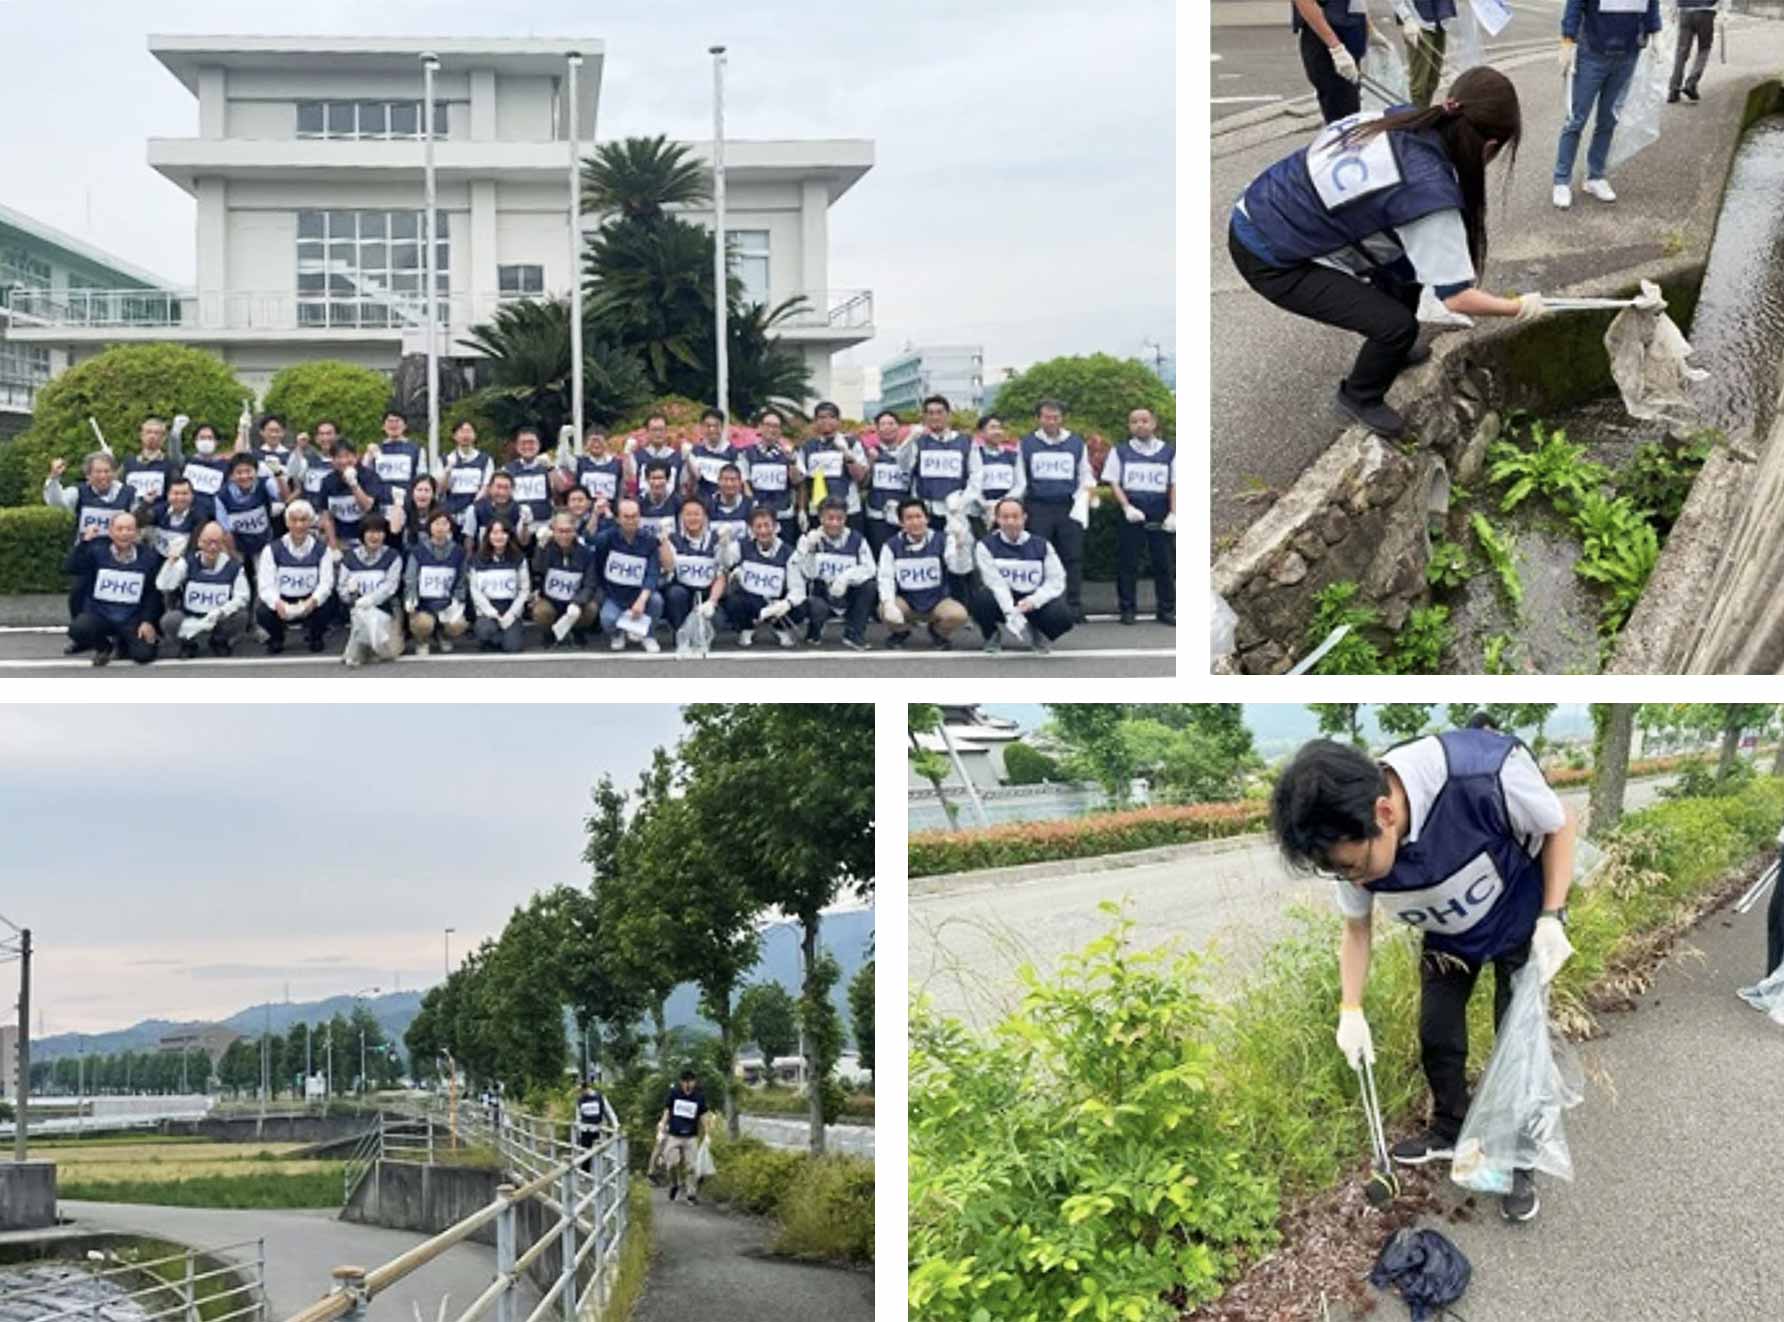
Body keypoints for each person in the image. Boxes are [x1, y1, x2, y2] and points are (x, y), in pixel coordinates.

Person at [1269, 727, 1577, 1223]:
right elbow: (1357, 929)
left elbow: (1560, 823)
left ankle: (1520, 1160)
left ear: (1384, 814)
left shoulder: (1483, 773)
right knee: (1438, 1033)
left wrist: (1553, 915)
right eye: (1341, 873)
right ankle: (1450, 1128)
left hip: (1520, 921)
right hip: (1447, 934)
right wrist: (1350, 1009)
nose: (1357, 880)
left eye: (1355, 866)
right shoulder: (1351, 839)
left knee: (1517, 1044)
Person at [1230, 66, 1541, 440]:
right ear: (1489, 147)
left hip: (1262, 205)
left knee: (1407, 271)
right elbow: (1457, 298)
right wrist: (1518, 307)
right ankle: (1359, 395)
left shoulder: (1401, 118)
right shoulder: (1427, 193)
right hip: (1271, 254)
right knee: (1396, 326)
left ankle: (1393, 349)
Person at [1555, 0, 1663, 208]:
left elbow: (1652, 4)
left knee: (1609, 119)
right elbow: (1575, 4)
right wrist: (1568, 40)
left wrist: (1656, 32)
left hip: (1629, 52)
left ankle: (1595, 176)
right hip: (1592, 51)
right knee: (1576, 118)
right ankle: (1561, 180)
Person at [1015, 400, 1094, 621]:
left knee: (1073, 557)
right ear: (1038, 418)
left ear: (1062, 418)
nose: (1051, 421)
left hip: (1068, 507)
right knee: (1038, 557)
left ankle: (1073, 606)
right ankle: (1041, 605)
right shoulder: (1027, 443)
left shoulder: (1076, 443)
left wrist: (1084, 496)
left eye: (1055, 417)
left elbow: (1084, 474)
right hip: (1038, 506)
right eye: (1046, 417)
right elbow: (1021, 479)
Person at [1102, 406, 1177, 627]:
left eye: (1144, 421)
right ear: (1129, 426)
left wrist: (1174, 512)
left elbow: (1175, 483)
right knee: (1128, 563)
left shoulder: (1169, 452)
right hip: (1132, 511)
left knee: (1163, 563)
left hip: (1159, 510)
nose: (1140, 425)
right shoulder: (1120, 451)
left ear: (1153, 424)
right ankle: (1127, 609)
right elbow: (1114, 482)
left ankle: (1167, 609)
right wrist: (1126, 507)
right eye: (1134, 421)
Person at [970, 498, 1075, 655]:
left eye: (1015, 516)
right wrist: (1010, 611)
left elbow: (1056, 580)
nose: (1011, 521)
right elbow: (995, 583)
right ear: (997, 519)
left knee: (1063, 616)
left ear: (1024, 518)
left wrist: (1034, 601)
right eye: (1005, 517)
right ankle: (991, 634)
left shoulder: (1042, 545)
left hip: (1032, 601)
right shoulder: (985, 545)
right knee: (980, 600)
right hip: (1004, 599)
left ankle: (1039, 630)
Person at [62, 511, 164, 666]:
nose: (124, 533)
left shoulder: (149, 557)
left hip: (131, 618)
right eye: (120, 529)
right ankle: (104, 648)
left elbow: (152, 594)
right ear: (110, 531)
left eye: (129, 529)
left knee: (144, 655)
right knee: (78, 629)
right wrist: (84, 543)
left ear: (136, 532)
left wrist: (147, 621)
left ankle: (123, 642)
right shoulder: (96, 551)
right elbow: (70, 568)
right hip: (101, 615)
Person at [877, 498, 973, 649]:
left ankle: (938, 633)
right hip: (907, 602)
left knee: (958, 615)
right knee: (884, 609)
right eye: (909, 518)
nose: (915, 522)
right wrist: (889, 603)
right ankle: (901, 632)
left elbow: (958, 568)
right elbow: (885, 577)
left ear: (927, 519)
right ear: (901, 523)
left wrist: (960, 548)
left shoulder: (943, 540)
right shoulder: (891, 545)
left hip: (937, 601)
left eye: (919, 517)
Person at [156, 520, 250, 658]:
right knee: (169, 620)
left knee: (241, 616)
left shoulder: (234, 567)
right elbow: (163, 585)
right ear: (199, 543)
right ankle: (188, 644)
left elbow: (242, 597)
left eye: (217, 542)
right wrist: (171, 561)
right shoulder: (186, 563)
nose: (212, 547)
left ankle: (219, 641)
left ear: (222, 543)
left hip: (218, 618)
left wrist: (221, 611)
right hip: (190, 617)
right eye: (208, 542)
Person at [255, 499, 338, 654]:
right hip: (283, 600)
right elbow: (266, 585)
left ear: (310, 522)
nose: (299, 525)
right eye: (294, 520)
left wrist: (313, 601)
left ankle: (315, 636)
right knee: (263, 611)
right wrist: (277, 603)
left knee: (329, 602)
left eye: (303, 520)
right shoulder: (271, 549)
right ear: (287, 523)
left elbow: (326, 583)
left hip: (309, 600)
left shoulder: (322, 550)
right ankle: (277, 638)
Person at [722, 505, 806, 647]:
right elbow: (725, 562)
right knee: (733, 601)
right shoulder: (741, 547)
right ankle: (746, 628)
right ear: (751, 530)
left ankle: (780, 628)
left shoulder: (789, 553)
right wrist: (723, 545)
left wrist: (786, 604)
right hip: (751, 601)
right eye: (758, 527)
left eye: (767, 525)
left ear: (776, 527)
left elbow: (797, 588)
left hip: (777, 603)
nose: (763, 531)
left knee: (801, 606)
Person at [798, 498, 876, 650]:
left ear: (845, 519)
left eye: (839, 519)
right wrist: (810, 551)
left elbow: (870, 568)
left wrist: (846, 578)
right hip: (821, 594)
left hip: (848, 593)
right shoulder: (810, 539)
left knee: (870, 586)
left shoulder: (857, 539)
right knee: (815, 605)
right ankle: (814, 630)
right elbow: (806, 573)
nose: (835, 523)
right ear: (821, 518)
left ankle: (854, 633)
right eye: (830, 518)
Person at [592, 497, 664, 653]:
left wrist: (641, 600)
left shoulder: (649, 541)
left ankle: (648, 634)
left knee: (656, 600)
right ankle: (618, 634)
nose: (631, 520)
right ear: (618, 518)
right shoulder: (608, 538)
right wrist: (595, 514)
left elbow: (652, 574)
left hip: (639, 594)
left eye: (634, 516)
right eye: (626, 516)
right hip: (614, 595)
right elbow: (590, 541)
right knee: (607, 619)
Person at [337, 514, 405, 668]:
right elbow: (341, 588)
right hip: (358, 613)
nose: (375, 536)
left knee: (390, 653)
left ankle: (359, 647)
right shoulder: (349, 558)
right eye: (370, 532)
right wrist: (352, 596)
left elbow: (390, 587)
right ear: (362, 534)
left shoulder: (393, 556)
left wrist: (370, 600)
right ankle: (358, 648)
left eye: (379, 531)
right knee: (361, 617)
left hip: (387, 610)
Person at [1292, 0, 1373, 125]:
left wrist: (1370, 28)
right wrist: (1336, 48)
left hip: (1348, 37)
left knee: (1351, 110)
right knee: (1342, 116)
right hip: (1326, 41)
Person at [898, 395, 972, 526]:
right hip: (927, 511)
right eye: (930, 413)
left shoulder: (966, 441)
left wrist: (964, 500)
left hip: (957, 511)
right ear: (925, 417)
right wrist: (910, 439)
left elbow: (975, 475)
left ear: (948, 415)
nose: (935, 417)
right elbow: (904, 465)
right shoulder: (918, 441)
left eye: (939, 412)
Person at [405, 508, 470, 655]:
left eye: (444, 523)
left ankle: (443, 635)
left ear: (450, 527)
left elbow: (461, 580)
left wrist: (458, 602)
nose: (440, 527)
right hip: (423, 604)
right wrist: (411, 599)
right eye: (436, 523)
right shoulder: (418, 551)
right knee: (423, 624)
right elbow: (411, 578)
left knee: (458, 624)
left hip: (447, 604)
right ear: (429, 527)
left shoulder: (458, 552)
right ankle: (422, 640)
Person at [531, 511, 599, 649]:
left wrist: (577, 602)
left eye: (568, 531)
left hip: (575, 602)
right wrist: (540, 548)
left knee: (592, 609)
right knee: (541, 612)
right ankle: (549, 633)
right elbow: (538, 568)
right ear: (553, 531)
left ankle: (577, 631)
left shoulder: (585, 553)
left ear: (575, 531)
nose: (564, 536)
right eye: (560, 531)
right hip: (551, 600)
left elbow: (590, 584)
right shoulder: (546, 548)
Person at [662, 496, 727, 639]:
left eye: (697, 514)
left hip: (706, 594)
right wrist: (664, 541)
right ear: (681, 518)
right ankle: (679, 632)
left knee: (718, 621)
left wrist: (712, 601)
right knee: (675, 594)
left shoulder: (716, 539)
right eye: (688, 514)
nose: (693, 518)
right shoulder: (674, 539)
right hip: (683, 592)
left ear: (704, 517)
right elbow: (668, 567)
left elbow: (721, 576)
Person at [798, 401, 868, 531]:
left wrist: (847, 454)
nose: (826, 421)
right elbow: (802, 482)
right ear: (815, 421)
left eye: (831, 416)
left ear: (838, 421)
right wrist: (802, 510)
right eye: (821, 417)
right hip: (817, 511)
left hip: (848, 511)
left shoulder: (851, 443)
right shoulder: (807, 447)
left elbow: (861, 477)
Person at [44, 451, 134, 543]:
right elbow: (56, 503)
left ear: (114, 474)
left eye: (107, 471)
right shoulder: (78, 492)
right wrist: (54, 477)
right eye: (98, 472)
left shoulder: (128, 493)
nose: (103, 476)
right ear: (88, 475)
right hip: (86, 552)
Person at [468, 521, 529, 653]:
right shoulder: (477, 559)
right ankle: (492, 636)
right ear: (488, 536)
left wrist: (512, 614)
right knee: (485, 630)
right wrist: (492, 613)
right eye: (495, 533)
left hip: (510, 609)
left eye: (503, 532)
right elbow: (475, 590)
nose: (499, 536)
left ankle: (505, 636)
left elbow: (524, 590)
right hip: (488, 611)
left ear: (509, 535)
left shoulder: (519, 558)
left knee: (513, 648)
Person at [214, 454, 278, 578]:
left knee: (265, 577)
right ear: (231, 476)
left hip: (263, 540)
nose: (244, 476)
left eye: (248, 471)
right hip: (237, 544)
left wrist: (278, 475)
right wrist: (234, 557)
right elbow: (225, 531)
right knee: (236, 575)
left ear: (256, 471)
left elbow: (283, 496)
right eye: (239, 472)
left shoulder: (266, 484)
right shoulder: (221, 497)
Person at [318, 438, 385, 552]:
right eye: (339, 457)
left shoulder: (370, 477)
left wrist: (353, 483)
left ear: (356, 456)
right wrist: (333, 545)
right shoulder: (327, 481)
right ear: (333, 460)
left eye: (348, 456)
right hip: (341, 540)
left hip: (367, 541)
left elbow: (367, 506)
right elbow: (326, 515)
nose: (343, 461)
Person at [657, 1067, 711, 1204]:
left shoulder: (699, 1097)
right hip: (674, 1135)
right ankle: (674, 1183)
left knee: (691, 1166)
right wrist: (662, 1128)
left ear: (695, 1082)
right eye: (685, 1081)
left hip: (691, 1136)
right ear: (681, 1082)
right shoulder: (674, 1094)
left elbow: (704, 1116)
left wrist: (707, 1133)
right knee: (671, 1163)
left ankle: (691, 1194)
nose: (688, 1084)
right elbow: (667, 1112)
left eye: (691, 1081)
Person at [743, 409, 800, 538]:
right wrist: (754, 506)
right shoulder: (747, 453)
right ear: (760, 427)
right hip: (758, 516)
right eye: (768, 425)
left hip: (783, 515)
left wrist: (791, 462)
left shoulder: (790, 452)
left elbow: (797, 481)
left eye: (776, 426)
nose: (771, 429)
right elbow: (745, 484)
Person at [965, 413, 1022, 539]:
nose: (997, 431)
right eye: (992, 428)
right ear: (981, 432)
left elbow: (1020, 484)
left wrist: (1002, 504)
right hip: (980, 513)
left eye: (999, 428)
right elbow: (972, 482)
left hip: (1008, 513)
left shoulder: (1013, 455)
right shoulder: (974, 454)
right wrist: (985, 504)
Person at [367, 410, 423, 537]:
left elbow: (421, 478)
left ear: (405, 425)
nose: (393, 425)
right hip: (380, 506)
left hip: (407, 506)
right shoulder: (376, 449)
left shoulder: (416, 449)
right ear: (383, 426)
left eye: (397, 421)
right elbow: (366, 475)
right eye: (389, 421)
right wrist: (368, 456)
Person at [863, 410, 911, 559]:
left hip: (904, 515)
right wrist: (870, 462)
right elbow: (863, 483)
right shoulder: (870, 452)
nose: (887, 428)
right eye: (882, 424)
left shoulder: (909, 451)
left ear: (899, 427)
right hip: (877, 515)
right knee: (880, 554)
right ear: (877, 429)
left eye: (891, 423)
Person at [438, 419, 494, 533]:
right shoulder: (445, 459)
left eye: (469, 431)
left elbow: (487, 486)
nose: (465, 435)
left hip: (477, 510)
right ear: (454, 436)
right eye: (461, 431)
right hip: (452, 513)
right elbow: (440, 489)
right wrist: (448, 470)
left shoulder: (485, 459)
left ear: (475, 435)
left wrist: (473, 506)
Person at [1401, 1, 1458, 111]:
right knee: (1420, 85)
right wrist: (1407, 17)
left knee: (1433, 80)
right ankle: (1417, 119)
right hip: (1419, 21)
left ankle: (1424, 114)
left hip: (1440, 20)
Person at [503, 427, 555, 546]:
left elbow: (558, 491)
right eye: (523, 443)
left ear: (539, 445)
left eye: (531, 442)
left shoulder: (547, 466)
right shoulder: (507, 469)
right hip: (516, 523)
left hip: (543, 523)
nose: (527, 446)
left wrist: (551, 468)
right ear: (517, 446)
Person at [463, 471, 531, 556]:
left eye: (506, 488)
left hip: (511, 560)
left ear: (512, 489)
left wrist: (525, 525)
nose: (502, 492)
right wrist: (469, 561)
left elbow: (524, 542)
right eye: (498, 487)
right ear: (490, 488)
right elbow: (469, 539)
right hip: (482, 560)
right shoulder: (474, 509)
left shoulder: (520, 510)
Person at [686, 407, 745, 502]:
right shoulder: (694, 452)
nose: (712, 429)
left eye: (716, 426)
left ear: (722, 427)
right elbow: (690, 483)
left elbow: (741, 484)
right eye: (708, 426)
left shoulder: (734, 453)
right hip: (702, 504)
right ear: (702, 427)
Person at [120, 415, 180, 508]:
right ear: (141, 436)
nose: (152, 436)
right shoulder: (129, 463)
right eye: (148, 432)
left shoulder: (170, 465)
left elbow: (172, 496)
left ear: (164, 438)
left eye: (157, 433)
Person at [140, 476, 203, 562]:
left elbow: (193, 550)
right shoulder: (159, 510)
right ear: (168, 495)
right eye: (176, 493)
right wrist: (146, 503)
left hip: (181, 564)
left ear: (192, 496)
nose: (180, 498)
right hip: (155, 560)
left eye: (184, 494)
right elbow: (139, 522)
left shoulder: (199, 517)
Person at [179, 421, 232, 523]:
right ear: (195, 441)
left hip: (213, 518)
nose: (206, 441)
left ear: (216, 442)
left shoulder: (224, 465)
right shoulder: (187, 462)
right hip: (187, 516)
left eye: (209, 438)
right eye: (202, 438)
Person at [566, 424, 625, 511]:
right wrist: (564, 438)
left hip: (610, 513)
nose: (596, 445)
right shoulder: (579, 463)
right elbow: (563, 459)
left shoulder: (617, 464)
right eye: (593, 441)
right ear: (586, 443)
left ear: (607, 442)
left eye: (600, 441)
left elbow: (621, 490)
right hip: (584, 514)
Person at [627, 412, 686, 497]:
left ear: (666, 431)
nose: (658, 433)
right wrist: (627, 454)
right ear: (647, 432)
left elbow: (683, 486)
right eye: (654, 430)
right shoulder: (637, 456)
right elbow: (629, 483)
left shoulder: (677, 457)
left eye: (661, 429)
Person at [1668, 0, 1717, 103]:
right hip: (1705, 11)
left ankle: (1674, 89)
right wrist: (1724, 11)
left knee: (1681, 51)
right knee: (1704, 48)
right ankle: (1691, 83)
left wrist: (1673, 9)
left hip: (1685, 11)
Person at [705, 463, 753, 544]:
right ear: (718, 481)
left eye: (733, 480)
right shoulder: (708, 505)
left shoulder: (749, 505)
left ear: (740, 482)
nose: (729, 484)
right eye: (725, 479)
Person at [637, 461, 682, 542]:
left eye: (660, 478)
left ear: (667, 479)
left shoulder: (677, 503)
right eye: (653, 478)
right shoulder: (638, 503)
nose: (657, 483)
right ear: (647, 479)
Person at [575, 1073, 610, 1172]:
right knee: (585, 1153)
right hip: (585, 1129)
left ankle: (599, 1174)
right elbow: (578, 1116)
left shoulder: (599, 1097)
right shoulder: (580, 1100)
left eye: (581, 1091)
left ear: (585, 1089)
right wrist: (578, 1130)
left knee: (599, 1153)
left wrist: (616, 1125)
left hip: (598, 1129)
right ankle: (585, 1174)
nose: (580, 1093)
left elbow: (608, 1111)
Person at [402, 475, 445, 553]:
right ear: (412, 493)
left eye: (427, 490)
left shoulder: (441, 513)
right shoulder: (404, 510)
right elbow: (395, 530)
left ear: (433, 494)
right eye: (419, 490)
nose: (423, 494)